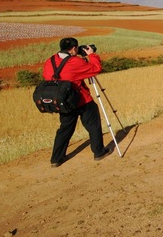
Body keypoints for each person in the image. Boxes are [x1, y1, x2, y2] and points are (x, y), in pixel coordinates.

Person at [43, 37, 112, 167]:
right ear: (74, 48)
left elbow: (48, 77)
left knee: (65, 129)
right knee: (93, 124)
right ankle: (99, 152)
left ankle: (56, 159)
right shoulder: (75, 62)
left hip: (62, 102)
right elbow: (95, 68)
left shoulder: (49, 61)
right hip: (80, 100)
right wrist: (92, 55)